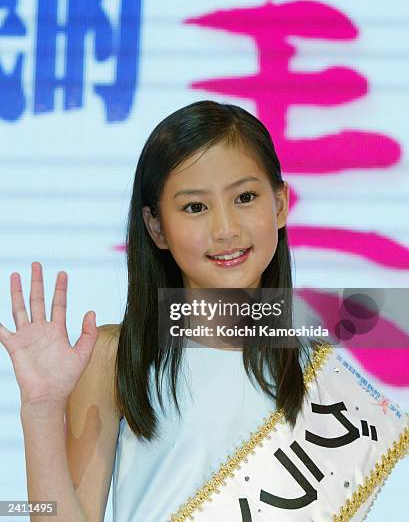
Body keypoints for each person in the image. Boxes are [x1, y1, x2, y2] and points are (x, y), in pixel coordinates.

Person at [0, 100, 407, 522]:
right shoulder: (114, 355)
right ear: (156, 227)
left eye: (245, 197)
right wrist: (42, 411)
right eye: (195, 207)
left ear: (281, 203)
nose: (225, 229)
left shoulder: (321, 367)